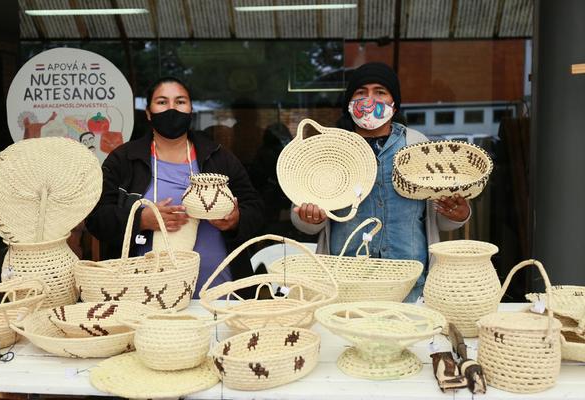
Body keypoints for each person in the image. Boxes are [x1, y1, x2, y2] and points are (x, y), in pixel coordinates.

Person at [291, 62, 471, 302]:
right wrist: (309, 218)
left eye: (380, 92)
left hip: (410, 283)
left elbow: (436, 218)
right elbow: (303, 212)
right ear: (349, 103)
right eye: (360, 93)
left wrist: (457, 214)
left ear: (394, 103)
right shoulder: (331, 149)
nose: (369, 100)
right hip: (346, 282)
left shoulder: (418, 146)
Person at [86, 76, 264, 298]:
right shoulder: (124, 160)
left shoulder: (218, 156)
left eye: (180, 102)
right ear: (149, 113)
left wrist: (235, 220)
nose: (172, 109)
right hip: (147, 294)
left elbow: (255, 208)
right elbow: (96, 218)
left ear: (190, 110)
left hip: (221, 293)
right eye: (162, 102)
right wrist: (141, 219)